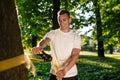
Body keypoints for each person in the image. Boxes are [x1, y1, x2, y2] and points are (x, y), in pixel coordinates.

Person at [32, 10, 81, 80]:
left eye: (64, 20)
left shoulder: (76, 36)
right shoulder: (53, 33)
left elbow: (75, 55)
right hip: (54, 74)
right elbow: (45, 41)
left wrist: (64, 71)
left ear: (70, 20)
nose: (61, 23)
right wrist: (39, 47)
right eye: (59, 20)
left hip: (70, 75)